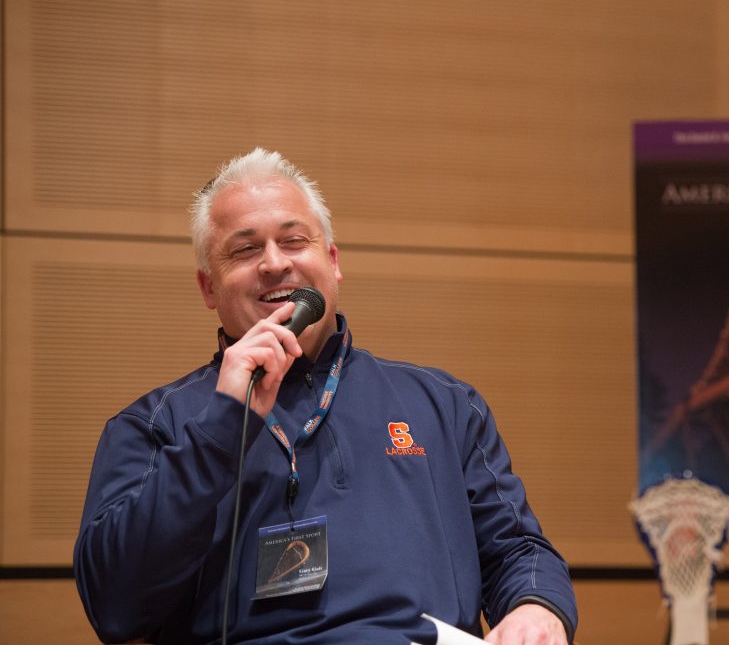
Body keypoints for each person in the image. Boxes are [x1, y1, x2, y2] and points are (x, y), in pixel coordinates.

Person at [73, 148, 577, 644]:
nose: (274, 263)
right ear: (208, 287)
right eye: (245, 250)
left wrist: (538, 608)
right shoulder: (153, 424)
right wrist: (219, 428)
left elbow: (518, 550)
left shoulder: (443, 404)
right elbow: (116, 607)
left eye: (294, 241)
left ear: (332, 262)